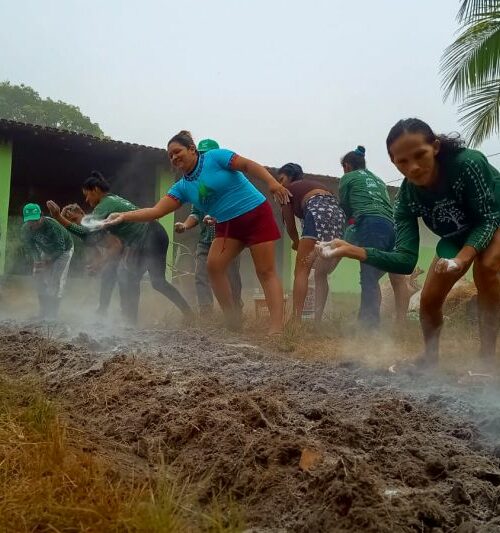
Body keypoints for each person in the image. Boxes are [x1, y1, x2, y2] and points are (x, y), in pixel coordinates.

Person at [321, 118, 500, 368]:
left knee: (487, 267)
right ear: (393, 162)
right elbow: (405, 261)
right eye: (402, 161)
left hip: (493, 220)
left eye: (420, 155)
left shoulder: (467, 163)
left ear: (435, 147)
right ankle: (429, 359)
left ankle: (488, 361)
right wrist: (355, 250)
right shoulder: (406, 199)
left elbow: (488, 218)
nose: (413, 167)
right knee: (429, 301)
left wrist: (463, 257)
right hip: (455, 238)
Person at [104, 131, 290, 335]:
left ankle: (277, 328)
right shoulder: (182, 187)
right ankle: (233, 322)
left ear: (192, 149)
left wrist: (272, 182)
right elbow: (156, 211)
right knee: (214, 266)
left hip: (255, 214)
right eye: (170, 156)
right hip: (229, 226)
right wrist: (123, 216)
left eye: (177, 151)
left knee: (265, 271)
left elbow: (247, 165)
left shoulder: (215, 157)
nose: (174, 158)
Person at [47, 171, 193, 324]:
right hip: (153, 233)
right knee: (143, 280)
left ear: (96, 190)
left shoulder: (103, 206)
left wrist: (58, 217)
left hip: (149, 236)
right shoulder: (110, 200)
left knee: (138, 279)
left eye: (87, 194)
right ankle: (133, 320)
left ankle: (132, 321)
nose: (86, 199)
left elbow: (86, 233)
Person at [339, 146, 410, 327]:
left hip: (371, 225)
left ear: (347, 166)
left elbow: (346, 208)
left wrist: (348, 231)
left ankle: (368, 327)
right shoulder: (378, 180)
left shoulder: (348, 177)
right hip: (392, 226)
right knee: (396, 276)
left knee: (368, 276)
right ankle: (401, 324)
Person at [174, 138, 243, 316]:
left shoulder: (226, 182)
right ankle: (206, 312)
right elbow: (195, 213)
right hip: (206, 240)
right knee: (201, 276)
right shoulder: (199, 187)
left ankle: (235, 311)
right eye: (201, 155)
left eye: (206, 155)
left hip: (228, 239)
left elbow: (236, 209)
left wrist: (217, 218)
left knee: (232, 276)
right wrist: (185, 225)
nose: (203, 159)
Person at [278, 163, 346, 322]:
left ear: (291, 177)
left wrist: (295, 242)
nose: (279, 185)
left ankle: (296, 321)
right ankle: (318, 321)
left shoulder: (286, 191)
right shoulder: (312, 186)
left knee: (301, 271)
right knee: (321, 274)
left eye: (281, 179)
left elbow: (289, 223)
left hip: (318, 211)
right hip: (338, 216)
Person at [61, 203, 121, 316]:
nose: (75, 225)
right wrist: (96, 266)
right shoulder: (85, 235)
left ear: (82, 213)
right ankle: (103, 310)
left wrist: (101, 263)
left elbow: (116, 245)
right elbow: (97, 254)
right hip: (117, 251)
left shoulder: (94, 224)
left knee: (125, 277)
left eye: (75, 219)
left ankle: (126, 314)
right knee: (107, 275)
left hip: (130, 247)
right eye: (71, 223)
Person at [21, 203, 74, 319]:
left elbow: (60, 248)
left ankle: (52, 314)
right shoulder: (26, 229)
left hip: (64, 250)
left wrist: (48, 263)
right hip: (47, 250)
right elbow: (31, 247)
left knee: (55, 280)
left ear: (41, 216)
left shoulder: (53, 226)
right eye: (30, 221)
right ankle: (43, 311)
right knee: (38, 277)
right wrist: (37, 261)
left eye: (35, 220)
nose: (33, 224)